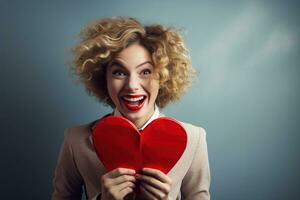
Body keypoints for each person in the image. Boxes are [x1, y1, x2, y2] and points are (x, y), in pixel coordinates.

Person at [52, 16, 210, 200]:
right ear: (104, 78)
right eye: (119, 72)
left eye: (145, 72)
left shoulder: (194, 139)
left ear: (164, 76)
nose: (132, 85)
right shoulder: (75, 141)